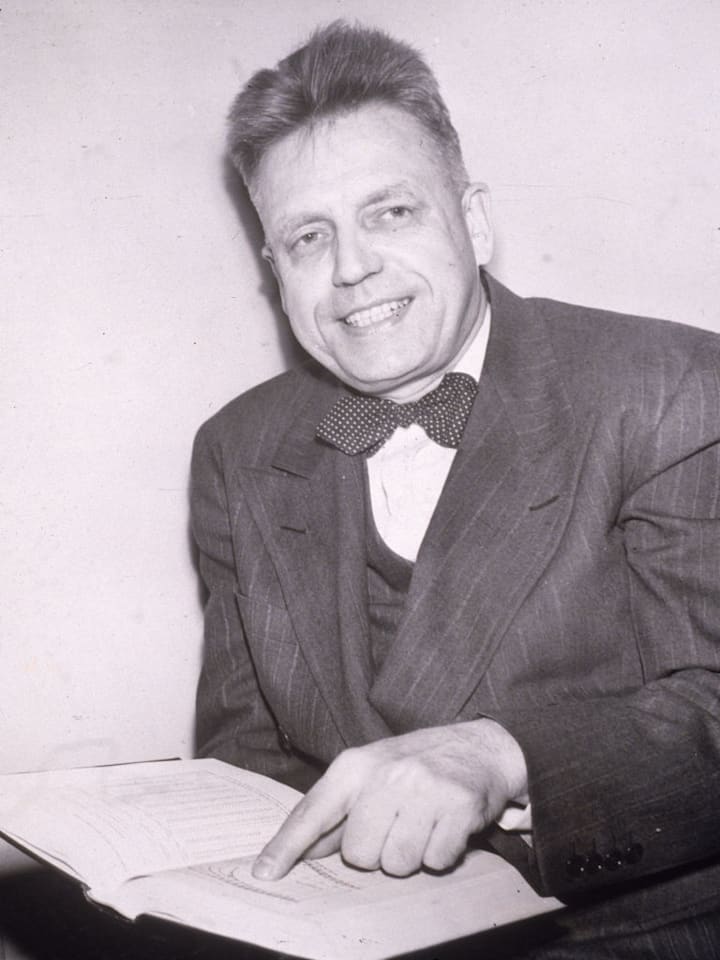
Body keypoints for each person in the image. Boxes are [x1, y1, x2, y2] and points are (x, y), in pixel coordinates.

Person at [191, 20, 720, 958]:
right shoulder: (235, 448)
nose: (352, 269)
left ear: (473, 222)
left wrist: (504, 752)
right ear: (275, 274)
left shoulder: (668, 385)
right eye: (308, 237)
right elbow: (248, 762)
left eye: (390, 212)